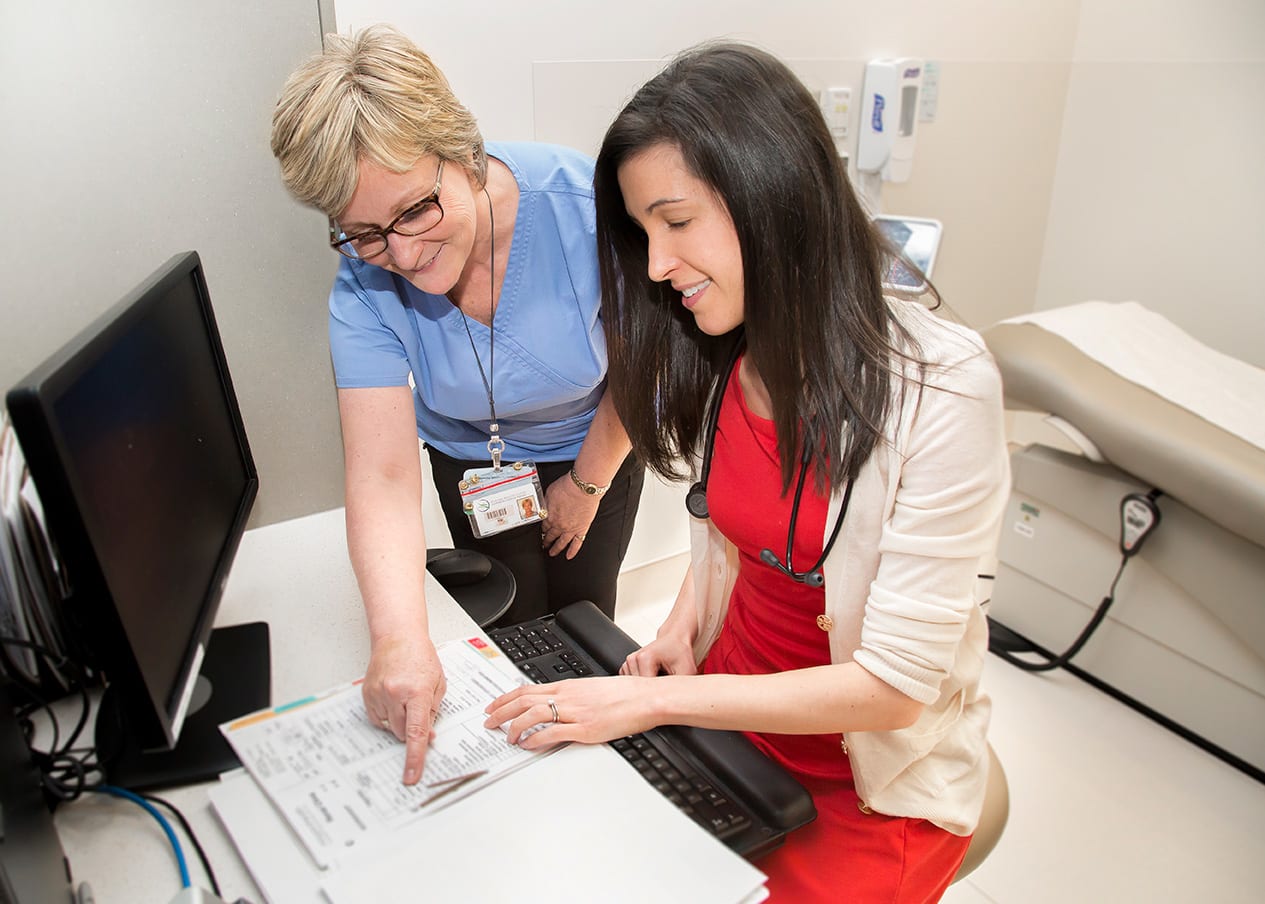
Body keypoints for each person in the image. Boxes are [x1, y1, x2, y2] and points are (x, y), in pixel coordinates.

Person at [485, 42, 1010, 902]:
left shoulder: (944, 389)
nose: (656, 266)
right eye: (642, 233)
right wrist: (680, 633)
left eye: (676, 221)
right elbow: (739, 535)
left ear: (775, 196)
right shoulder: (726, 349)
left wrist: (657, 708)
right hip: (723, 708)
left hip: (863, 780)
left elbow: (892, 691)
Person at [270, 24, 643, 785]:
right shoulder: (363, 282)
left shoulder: (584, 211)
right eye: (365, 233)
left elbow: (645, 372)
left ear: (465, 156)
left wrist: (586, 484)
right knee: (507, 632)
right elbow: (379, 473)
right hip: (475, 465)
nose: (401, 256)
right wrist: (398, 640)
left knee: (584, 621)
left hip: (596, 444)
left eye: (415, 212)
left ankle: (593, 786)